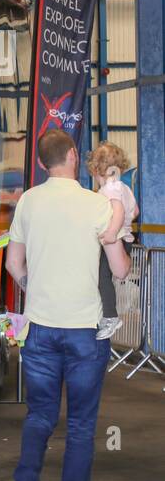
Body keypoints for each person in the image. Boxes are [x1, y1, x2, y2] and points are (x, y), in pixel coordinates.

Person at [5, 129, 130, 481]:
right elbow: (120, 270)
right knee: (79, 426)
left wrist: (33, 286)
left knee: (39, 417)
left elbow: (13, 265)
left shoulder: (27, 202)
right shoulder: (97, 205)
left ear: (42, 164)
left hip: (39, 329)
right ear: (75, 156)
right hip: (84, 335)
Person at [85, 142, 137, 340]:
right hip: (127, 238)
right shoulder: (123, 187)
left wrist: (112, 232)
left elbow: (119, 210)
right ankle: (107, 315)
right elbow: (135, 211)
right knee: (102, 276)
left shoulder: (110, 188)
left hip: (118, 239)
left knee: (101, 277)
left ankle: (110, 316)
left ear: (98, 170)